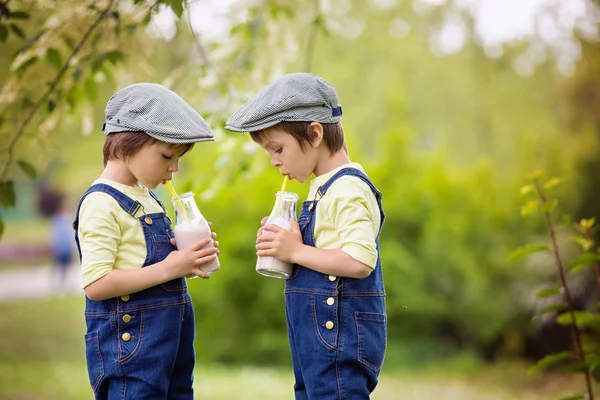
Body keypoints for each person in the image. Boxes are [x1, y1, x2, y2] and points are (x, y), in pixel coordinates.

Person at [225, 73, 387, 399]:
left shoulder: (348, 188)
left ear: (314, 133)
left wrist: (296, 251)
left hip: (338, 341)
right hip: (316, 340)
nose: (274, 161)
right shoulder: (323, 188)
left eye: (278, 148)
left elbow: (358, 261)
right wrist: (285, 246)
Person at [73, 83, 219, 399]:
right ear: (128, 145)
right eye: (167, 155)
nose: (174, 167)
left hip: (171, 349)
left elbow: (147, 256)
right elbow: (96, 284)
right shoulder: (101, 203)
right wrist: (170, 267)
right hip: (132, 354)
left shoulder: (148, 196)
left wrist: (186, 252)